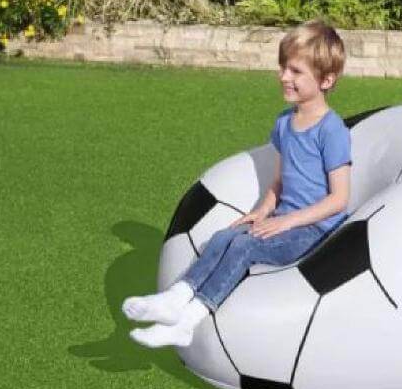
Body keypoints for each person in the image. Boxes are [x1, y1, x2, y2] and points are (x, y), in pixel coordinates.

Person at [122, 19, 352, 348]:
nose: (283, 76)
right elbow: (281, 179)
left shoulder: (332, 130)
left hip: (316, 230)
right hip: (283, 220)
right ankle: (175, 298)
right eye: (283, 68)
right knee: (224, 236)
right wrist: (263, 210)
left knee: (244, 247)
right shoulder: (284, 122)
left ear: (326, 80)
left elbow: (339, 199)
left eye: (295, 71)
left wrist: (287, 221)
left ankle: (188, 322)